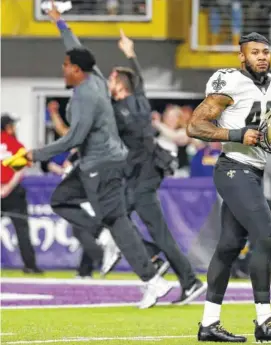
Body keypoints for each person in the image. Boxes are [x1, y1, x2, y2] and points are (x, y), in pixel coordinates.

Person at [19, 4, 172, 309]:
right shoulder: (94, 77)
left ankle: (153, 281)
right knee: (61, 199)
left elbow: (74, 137)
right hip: (94, 164)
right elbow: (77, 48)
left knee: (118, 223)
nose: (62, 68)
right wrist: (60, 23)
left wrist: (35, 154)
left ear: (76, 70)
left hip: (102, 166)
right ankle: (104, 235)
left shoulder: (87, 95)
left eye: (65, 65)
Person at [187, 32, 271, 343]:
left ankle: (209, 324)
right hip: (233, 168)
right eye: (254, 52)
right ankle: (264, 320)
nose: (261, 56)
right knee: (266, 234)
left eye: (265, 51)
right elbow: (195, 126)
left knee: (229, 246)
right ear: (242, 57)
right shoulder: (229, 82)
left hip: (255, 170)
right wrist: (235, 135)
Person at [103, 30, 207, 304]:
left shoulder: (121, 108)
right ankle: (154, 258)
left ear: (120, 85)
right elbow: (139, 80)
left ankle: (186, 278)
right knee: (115, 217)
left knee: (130, 222)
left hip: (143, 177)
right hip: (142, 175)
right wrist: (130, 52)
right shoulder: (137, 99)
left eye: (111, 79)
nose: (107, 82)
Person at [0, 114, 42, 274]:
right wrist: (7, 188)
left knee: (22, 228)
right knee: (22, 229)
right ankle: (30, 266)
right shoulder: (15, 144)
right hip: (12, 193)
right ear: (8, 127)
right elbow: (20, 170)